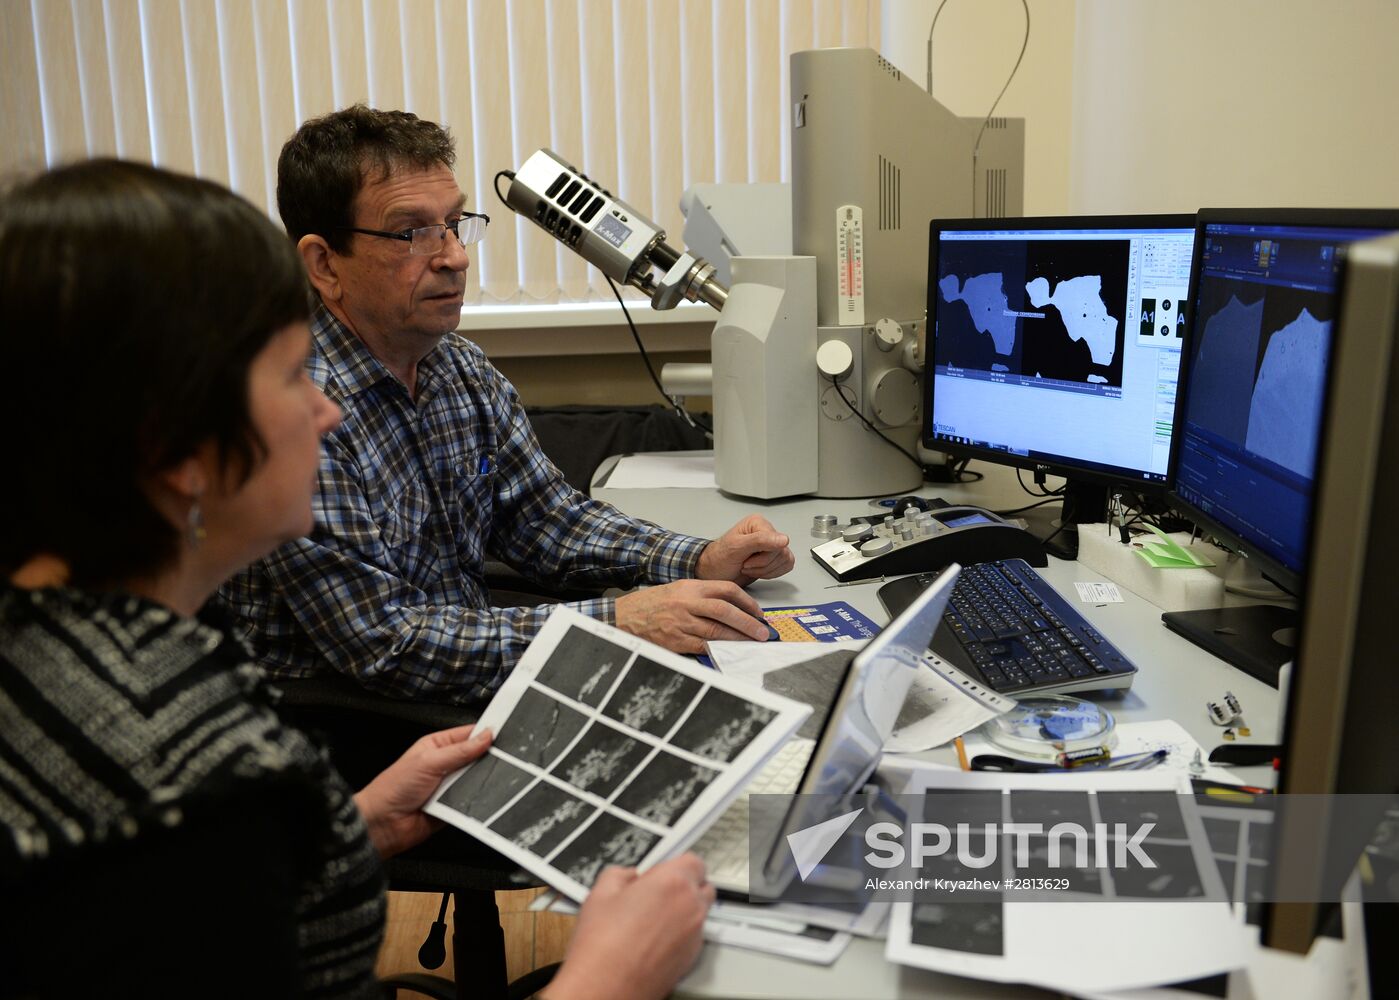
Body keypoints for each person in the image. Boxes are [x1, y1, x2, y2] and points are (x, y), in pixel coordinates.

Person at [0, 160, 712, 998]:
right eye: (290, 375)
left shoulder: (85, 659)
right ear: (175, 451)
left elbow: (182, 920)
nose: (324, 408)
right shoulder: (195, 770)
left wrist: (357, 824)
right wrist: (606, 978)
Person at [217, 104, 795, 704]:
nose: (455, 257)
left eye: (454, 223)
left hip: (463, 677)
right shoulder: (292, 413)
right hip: (355, 725)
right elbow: (384, 642)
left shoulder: (461, 371)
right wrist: (619, 623)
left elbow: (546, 522)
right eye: (413, 232)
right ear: (323, 263)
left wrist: (697, 559)